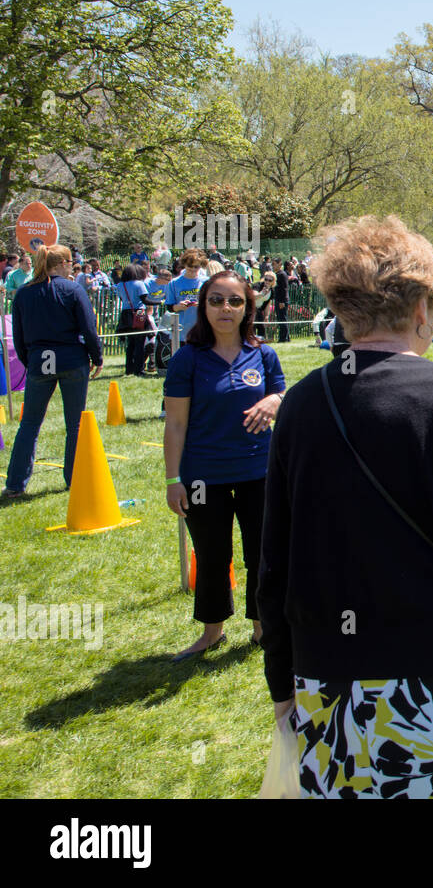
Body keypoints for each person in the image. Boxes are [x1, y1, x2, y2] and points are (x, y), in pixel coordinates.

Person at [258, 215, 433, 798]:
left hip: (327, 677)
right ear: (421, 311)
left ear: (343, 312)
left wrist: (280, 679)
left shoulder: (300, 405)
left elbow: (273, 557)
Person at [164, 271, 285, 661]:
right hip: (205, 476)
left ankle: (262, 628)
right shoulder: (187, 359)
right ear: (203, 307)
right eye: (216, 300)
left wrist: (275, 400)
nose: (225, 309)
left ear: (248, 307)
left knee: (262, 553)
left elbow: (282, 393)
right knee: (213, 554)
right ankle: (211, 632)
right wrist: (173, 480)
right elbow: (176, 424)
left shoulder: (263, 354)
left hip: (259, 472)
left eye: (235, 301)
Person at [3, 246, 104, 497]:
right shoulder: (72, 289)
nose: (72, 266)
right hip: (72, 361)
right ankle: (73, 479)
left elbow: (19, 336)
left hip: (39, 361)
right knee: (75, 425)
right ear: (60, 264)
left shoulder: (24, 294)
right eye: (70, 262)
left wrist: (30, 361)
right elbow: (89, 328)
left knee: (29, 425)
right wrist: (97, 356)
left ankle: (15, 485)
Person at [113, 263, 153, 377]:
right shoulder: (139, 284)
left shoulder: (120, 285)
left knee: (130, 343)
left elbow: (121, 298)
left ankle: (129, 369)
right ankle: (139, 369)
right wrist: (159, 302)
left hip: (126, 314)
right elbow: (145, 300)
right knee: (140, 343)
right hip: (139, 313)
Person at [270, 258, 290, 343]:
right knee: (281, 318)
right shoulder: (277, 274)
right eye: (272, 264)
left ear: (279, 264)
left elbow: (284, 289)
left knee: (282, 319)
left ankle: (283, 338)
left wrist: (282, 301)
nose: (273, 266)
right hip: (278, 299)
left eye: (274, 264)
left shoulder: (282, 274)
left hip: (282, 300)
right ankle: (287, 337)